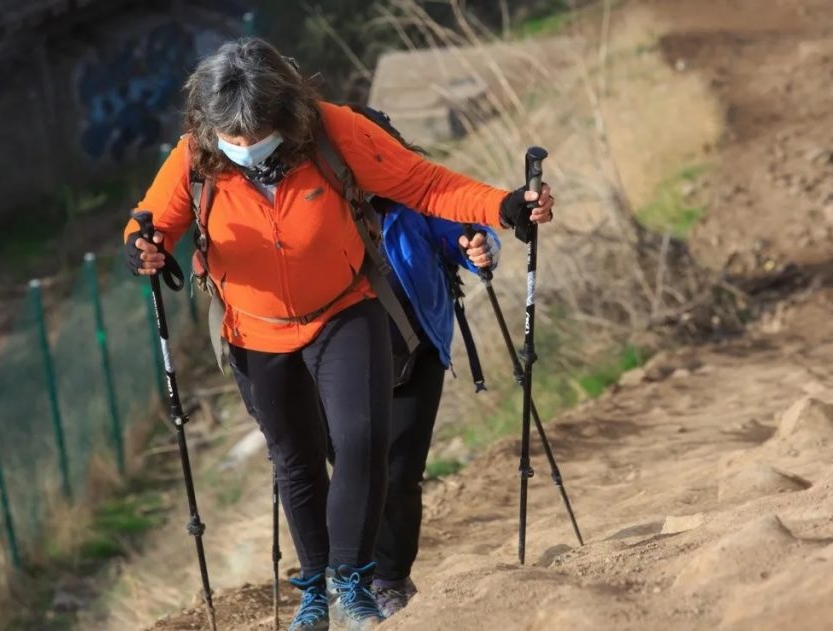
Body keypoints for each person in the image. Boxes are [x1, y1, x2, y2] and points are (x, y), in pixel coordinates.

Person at [123, 38, 554, 631]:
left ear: (285, 112)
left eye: (257, 132)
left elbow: (424, 184)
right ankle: (314, 595)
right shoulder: (195, 157)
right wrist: (141, 248)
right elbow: (154, 220)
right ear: (208, 123)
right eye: (233, 136)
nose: (245, 147)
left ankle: (354, 584)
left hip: (343, 311)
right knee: (295, 461)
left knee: (361, 440)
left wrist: (503, 207)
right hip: (256, 331)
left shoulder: (333, 131)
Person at [370, 194, 499, 618]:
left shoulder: (410, 193)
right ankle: (348, 579)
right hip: (333, 361)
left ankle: (390, 579)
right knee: (352, 469)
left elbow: (459, 229)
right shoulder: (306, 196)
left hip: (415, 352)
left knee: (401, 470)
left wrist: (480, 246)